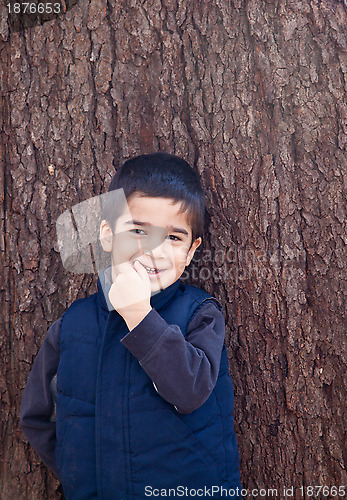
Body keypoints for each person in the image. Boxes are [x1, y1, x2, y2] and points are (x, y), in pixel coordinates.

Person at [20, 152, 242, 499]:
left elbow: (190, 390)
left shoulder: (199, 314)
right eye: (138, 230)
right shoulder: (73, 326)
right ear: (108, 235)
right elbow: (38, 416)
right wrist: (85, 472)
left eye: (173, 237)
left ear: (191, 250)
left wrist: (139, 314)